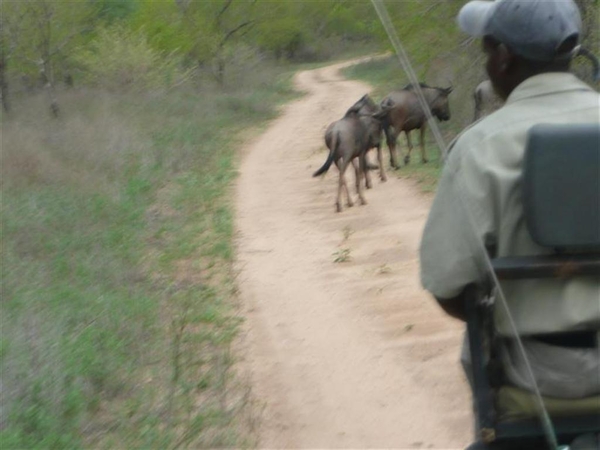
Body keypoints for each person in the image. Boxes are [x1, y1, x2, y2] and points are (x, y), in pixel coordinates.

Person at [419, 0, 600, 447]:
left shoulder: (481, 146)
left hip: (540, 377)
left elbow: (446, 284)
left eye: (486, 53)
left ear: (502, 57)